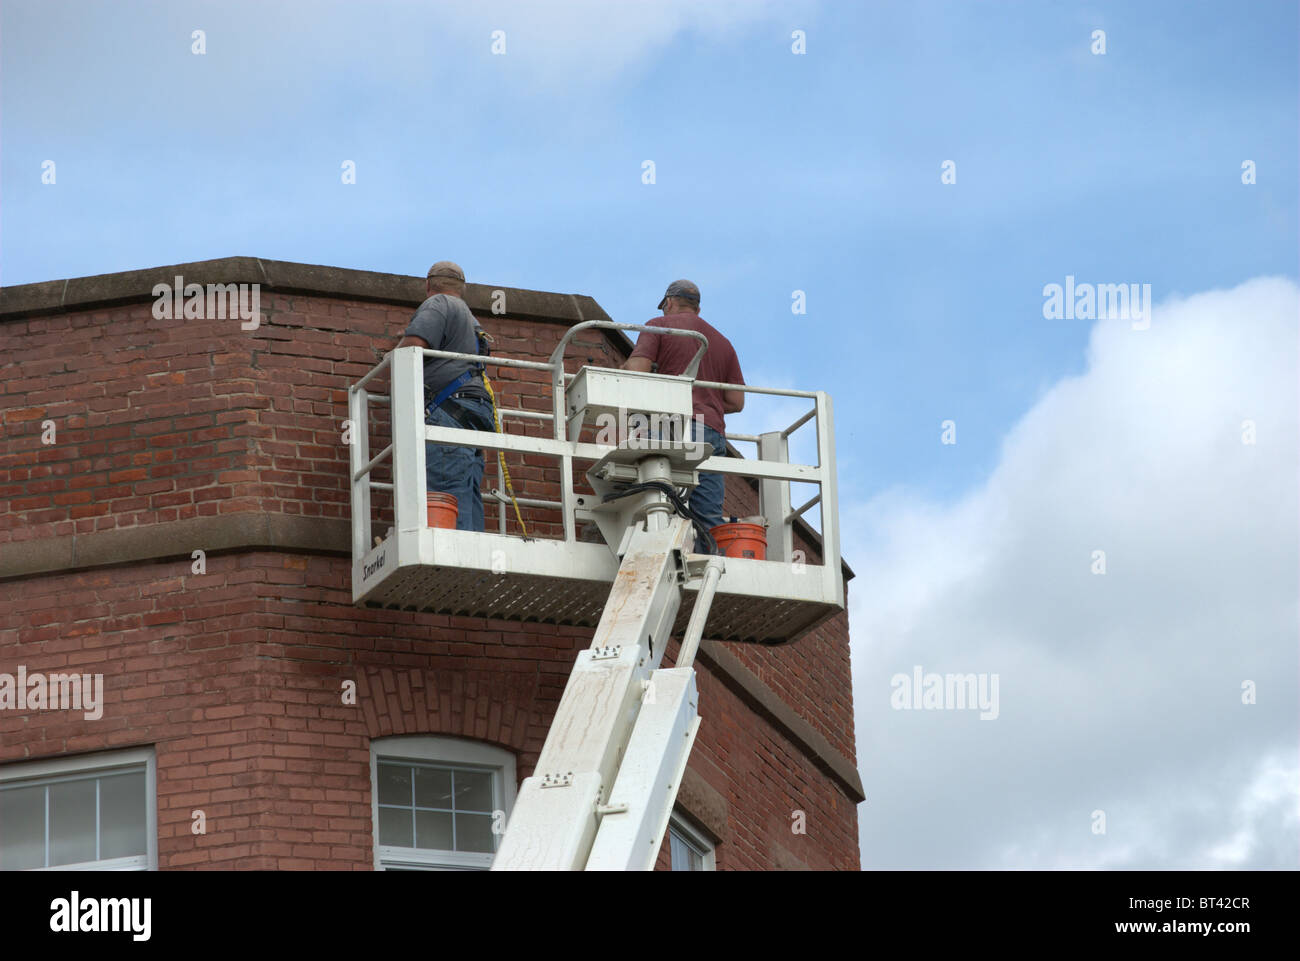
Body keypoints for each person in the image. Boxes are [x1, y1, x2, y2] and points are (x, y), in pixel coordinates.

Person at [623, 280, 745, 552]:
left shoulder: (658, 325)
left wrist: (626, 366)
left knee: (653, 500)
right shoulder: (723, 342)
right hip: (710, 434)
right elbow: (736, 401)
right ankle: (709, 570)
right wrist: (707, 401)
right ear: (697, 308)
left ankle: (653, 550)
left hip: (669, 425)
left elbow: (637, 373)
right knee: (707, 517)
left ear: (669, 302)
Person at [396, 261, 494, 532]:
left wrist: (391, 357)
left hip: (449, 410)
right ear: (462, 288)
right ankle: (473, 553)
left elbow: (413, 347)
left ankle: (454, 552)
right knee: (467, 490)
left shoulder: (437, 303)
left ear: (428, 284)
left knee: (446, 488)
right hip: (474, 412)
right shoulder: (472, 321)